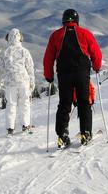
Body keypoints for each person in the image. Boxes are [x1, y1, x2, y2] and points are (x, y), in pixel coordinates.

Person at [42, 8, 103, 148]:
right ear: (77, 20)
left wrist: (49, 76)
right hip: (82, 72)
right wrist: (97, 66)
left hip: (64, 74)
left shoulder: (55, 35)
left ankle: (62, 135)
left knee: (64, 103)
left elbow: (48, 58)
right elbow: (96, 52)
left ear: (63, 21)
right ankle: (86, 132)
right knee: (83, 102)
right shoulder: (85, 33)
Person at [0, 29, 35, 134]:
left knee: (11, 104)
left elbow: (0, 69)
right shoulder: (24, 51)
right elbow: (30, 68)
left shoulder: (4, 52)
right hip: (23, 81)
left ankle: (10, 128)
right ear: (20, 38)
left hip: (9, 82)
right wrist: (32, 82)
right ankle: (25, 125)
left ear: (8, 38)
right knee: (25, 103)